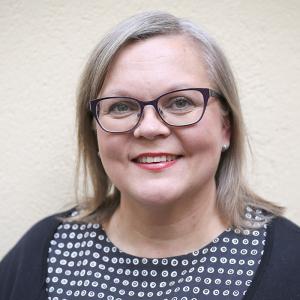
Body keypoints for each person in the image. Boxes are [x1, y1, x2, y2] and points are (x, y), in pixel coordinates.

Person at [1, 11, 300, 300]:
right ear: (94, 130)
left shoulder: (292, 264)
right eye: (121, 107)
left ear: (225, 126)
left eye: (180, 102)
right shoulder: (41, 254)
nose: (149, 128)